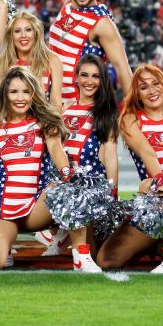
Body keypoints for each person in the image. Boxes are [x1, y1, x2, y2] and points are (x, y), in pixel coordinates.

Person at [96, 65, 163, 273]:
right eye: (144, 87)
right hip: (153, 198)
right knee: (106, 259)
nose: (152, 90)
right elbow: (148, 154)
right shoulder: (130, 120)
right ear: (137, 93)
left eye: (156, 84)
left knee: (149, 185)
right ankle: (159, 245)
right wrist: (161, 183)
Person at [0, 69, 72, 271]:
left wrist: (67, 174)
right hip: (2, 206)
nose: (20, 98)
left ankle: (82, 253)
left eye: (26, 92)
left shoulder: (44, 122)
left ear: (33, 94)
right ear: (5, 95)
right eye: (14, 92)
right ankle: (3, 239)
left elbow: (56, 149)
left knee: (72, 190)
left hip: (36, 205)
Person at [55, 54, 120, 272]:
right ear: (76, 77)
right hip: (62, 178)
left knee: (96, 252)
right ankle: (60, 233)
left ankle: (68, 236)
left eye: (95, 76)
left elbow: (110, 155)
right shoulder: (65, 107)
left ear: (102, 80)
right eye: (84, 75)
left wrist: (112, 190)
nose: (89, 81)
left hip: (90, 182)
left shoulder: (105, 112)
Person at [0, 11, 63, 109]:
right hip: (10, 122)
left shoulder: (52, 60)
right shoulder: (2, 64)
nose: (23, 35)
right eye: (17, 31)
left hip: (42, 121)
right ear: (11, 36)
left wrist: (53, 124)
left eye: (28, 30)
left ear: (36, 33)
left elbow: (56, 103)